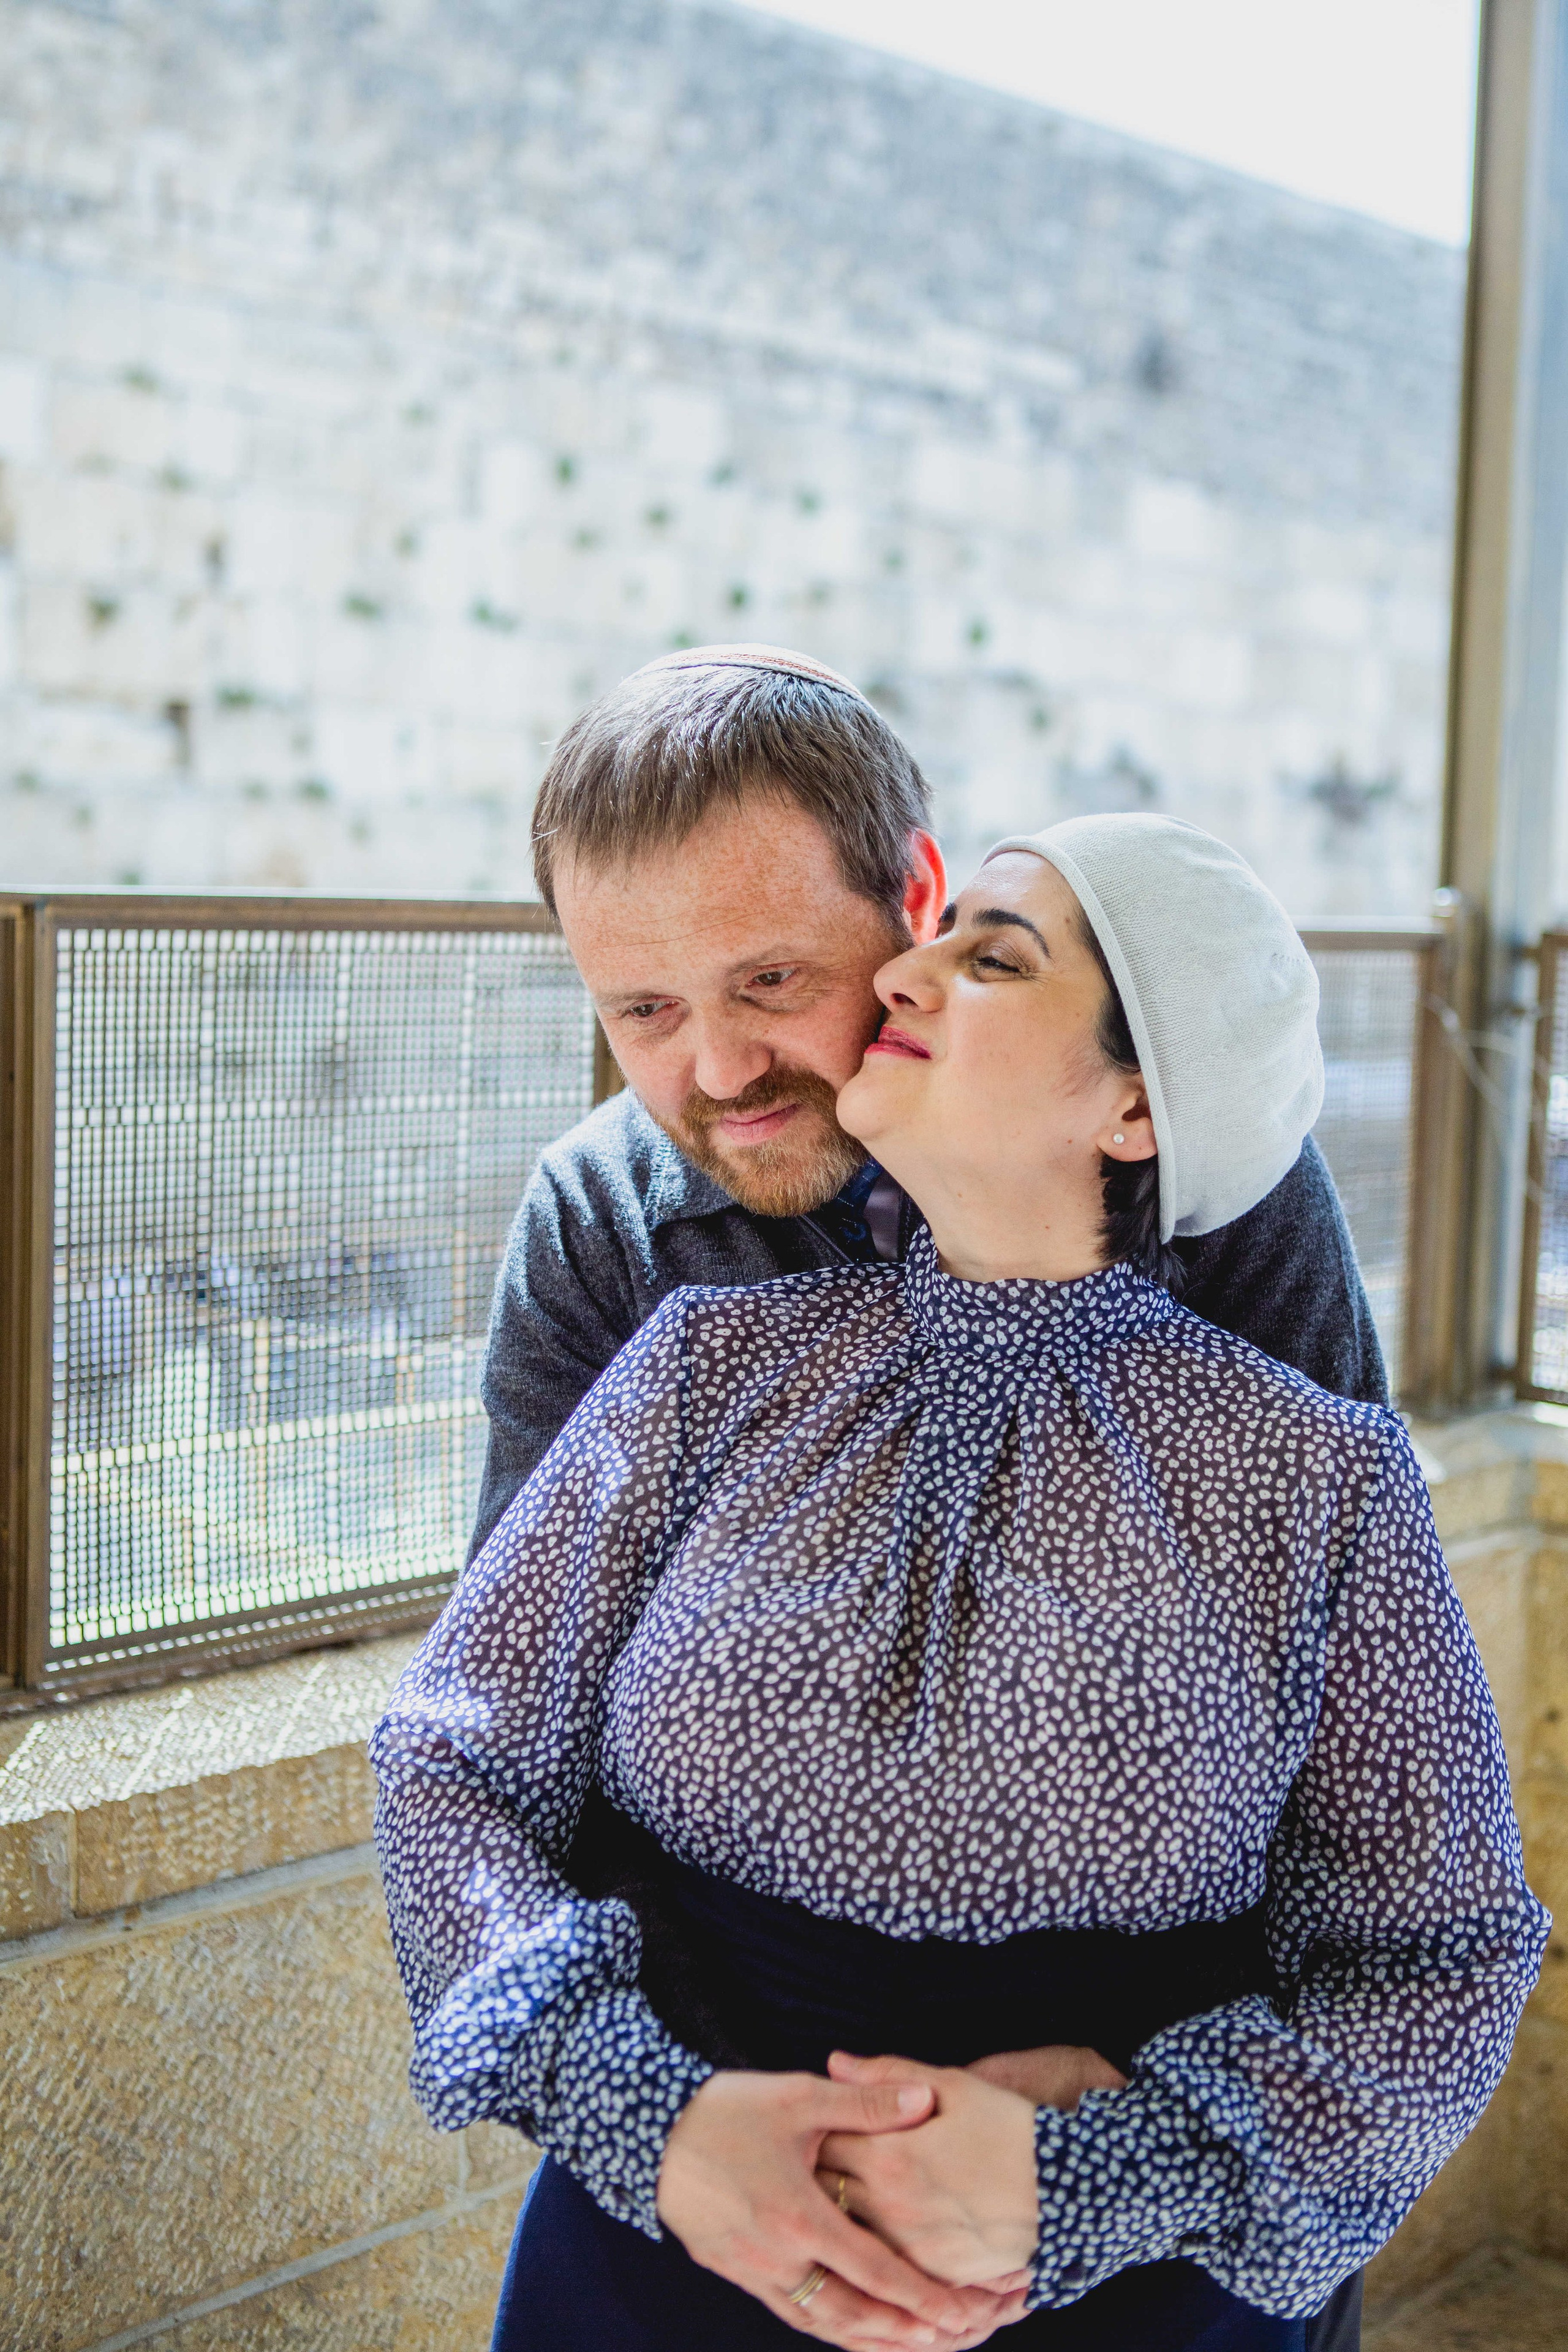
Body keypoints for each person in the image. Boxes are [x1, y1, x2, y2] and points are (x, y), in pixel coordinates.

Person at [372, 799, 1545, 2350]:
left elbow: (1439, 1952)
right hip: (677, 2246)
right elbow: (451, 1764)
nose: (905, 978)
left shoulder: (1313, 1472)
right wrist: (646, 2112)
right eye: (932, 941)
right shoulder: (694, 1368)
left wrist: (1104, 2168)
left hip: (1126, 2287)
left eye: (989, 959)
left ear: (1137, 1106)